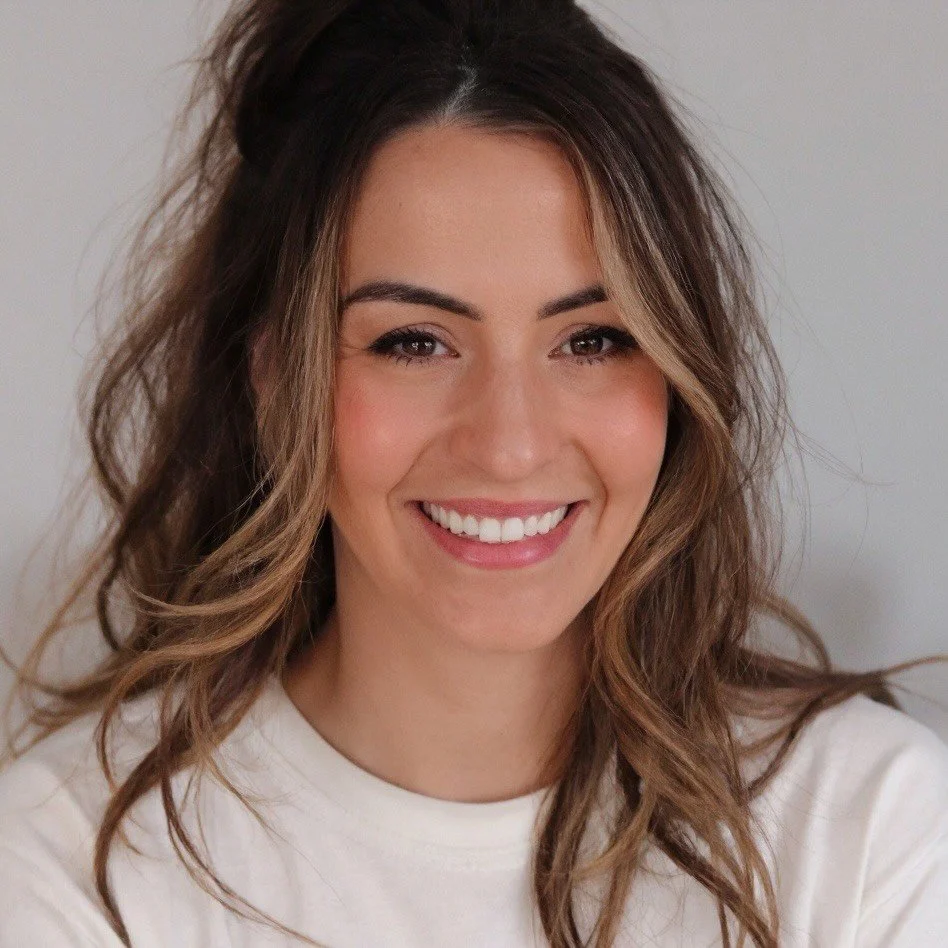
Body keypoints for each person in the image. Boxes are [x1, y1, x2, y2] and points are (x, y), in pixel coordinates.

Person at [1, 1, 946, 946]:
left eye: (593, 339)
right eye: (415, 342)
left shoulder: (868, 835)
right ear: (276, 374)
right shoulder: (70, 860)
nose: (510, 444)